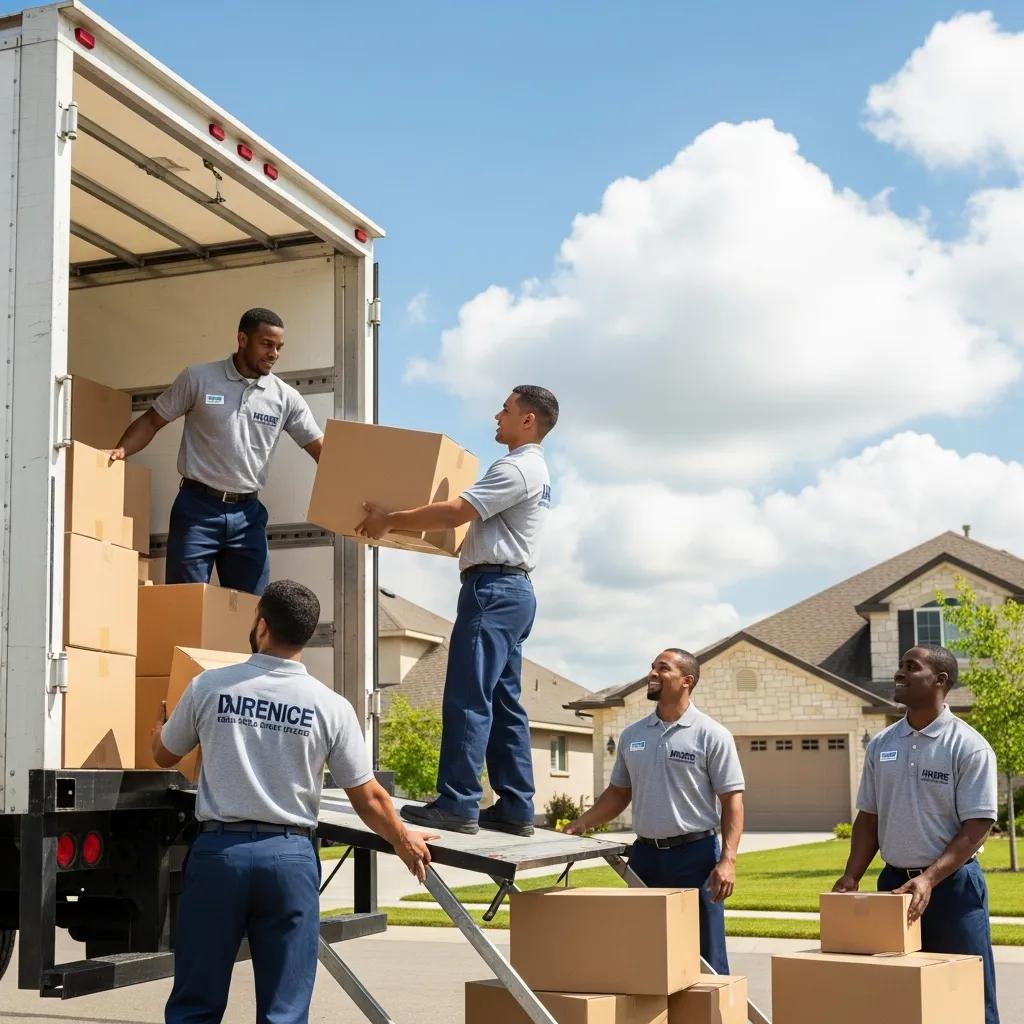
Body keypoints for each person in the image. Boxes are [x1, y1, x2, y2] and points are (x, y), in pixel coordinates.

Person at [151, 579, 434, 1024]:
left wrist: (160, 726)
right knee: (284, 1010)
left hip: (219, 856)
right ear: (305, 635)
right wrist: (403, 839)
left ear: (261, 626)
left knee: (195, 1005)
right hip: (289, 859)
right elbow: (369, 796)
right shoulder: (331, 706)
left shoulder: (209, 687)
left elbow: (164, 754)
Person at [355, 386, 558, 837]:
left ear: (529, 421)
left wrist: (389, 519)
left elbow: (454, 513)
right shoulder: (538, 471)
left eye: (505, 409)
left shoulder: (515, 467)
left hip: (493, 590)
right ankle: (516, 807)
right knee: (504, 702)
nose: (496, 415)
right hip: (515, 592)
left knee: (468, 696)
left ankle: (458, 803)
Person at [833, 644, 999, 1024]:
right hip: (893, 886)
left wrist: (928, 878)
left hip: (952, 888)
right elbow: (869, 817)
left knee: (968, 993)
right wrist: (852, 875)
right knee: (901, 996)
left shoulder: (969, 746)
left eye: (912, 667)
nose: (900, 673)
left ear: (940, 680)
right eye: (900, 666)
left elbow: (977, 826)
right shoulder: (882, 744)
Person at [109, 308, 323, 595]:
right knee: (185, 603)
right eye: (267, 344)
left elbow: (320, 449)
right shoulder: (198, 378)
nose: (274, 354)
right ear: (242, 339)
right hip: (197, 510)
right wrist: (123, 448)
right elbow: (152, 420)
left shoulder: (286, 398)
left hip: (248, 516)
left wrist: (355, 489)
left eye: (279, 347)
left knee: (251, 611)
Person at [564, 648, 744, 975]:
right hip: (644, 857)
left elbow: (732, 801)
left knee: (707, 955)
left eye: (663, 668)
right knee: (646, 951)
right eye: (652, 667)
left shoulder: (712, 735)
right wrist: (581, 824)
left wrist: (728, 860)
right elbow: (619, 792)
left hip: (696, 857)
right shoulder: (633, 735)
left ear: (686, 681)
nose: (652, 674)